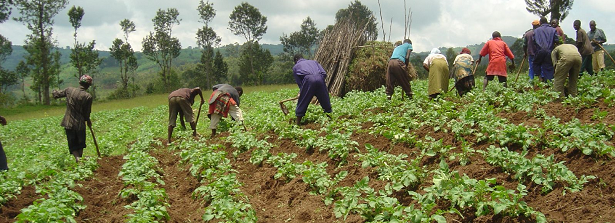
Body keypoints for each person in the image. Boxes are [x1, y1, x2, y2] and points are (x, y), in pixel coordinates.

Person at [52, 75, 93, 163]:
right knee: (80, 144)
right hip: (80, 124)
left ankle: (77, 159)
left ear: (79, 82)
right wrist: (88, 120)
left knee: (73, 144)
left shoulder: (69, 90)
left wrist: (54, 91)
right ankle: (80, 159)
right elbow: (87, 112)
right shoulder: (88, 96)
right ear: (88, 86)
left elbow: (56, 95)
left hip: (68, 123)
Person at [292, 54, 332, 125]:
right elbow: (324, 73)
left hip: (308, 80)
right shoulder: (314, 62)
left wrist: (302, 91)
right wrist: (319, 80)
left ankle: (298, 122)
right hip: (320, 78)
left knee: (303, 100)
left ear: (295, 60)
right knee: (324, 99)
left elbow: (299, 82)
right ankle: (330, 118)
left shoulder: (295, 67)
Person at [533, 17, 559, 82]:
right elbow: (556, 40)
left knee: (536, 63)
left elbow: (534, 41)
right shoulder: (553, 30)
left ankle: (539, 78)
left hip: (540, 51)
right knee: (549, 67)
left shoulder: (536, 30)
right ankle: (549, 83)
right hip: (549, 51)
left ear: (540, 23)